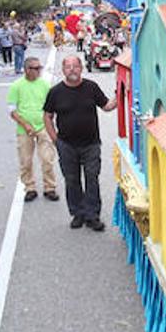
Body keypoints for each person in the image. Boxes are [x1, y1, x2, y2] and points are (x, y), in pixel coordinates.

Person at [44, 55, 118, 231]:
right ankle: (78, 213)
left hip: (91, 144)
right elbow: (47, 116)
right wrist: (55, 139)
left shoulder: (91, 87)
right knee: (72, 180)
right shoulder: (55, 92)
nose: (72, 69)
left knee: (92, 179)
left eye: (75, 66)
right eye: (68, 66)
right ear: (63, 70)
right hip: (66, 145)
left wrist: (120, 93)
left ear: (81, 68)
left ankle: (92, 216)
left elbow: (107, 106)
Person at [8, 57, 58, 202]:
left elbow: (51, 105)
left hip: (43, 126)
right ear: (27, 70)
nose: (38, 71)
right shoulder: (16, 86)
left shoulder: (44, 85)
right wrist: (25, 125)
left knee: (47, 159)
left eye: (39, 68)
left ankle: (49, 187)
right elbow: (12, 110)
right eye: (35, 68)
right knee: (26, 161)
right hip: (24, 129)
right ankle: (30, 187)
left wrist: (50, 122)